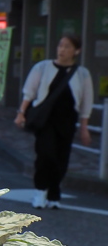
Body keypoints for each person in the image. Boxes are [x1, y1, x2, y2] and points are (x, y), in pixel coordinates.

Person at [14, 35, 94, 209]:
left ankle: (54, 193)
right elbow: (29, 92)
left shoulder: (82, 74)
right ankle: (40, 191)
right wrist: (21, 113)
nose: (62, 50)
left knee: (61, 159)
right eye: (60, 45)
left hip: (67, 121)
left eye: (67, 46)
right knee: (45, 155)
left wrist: (84, 127)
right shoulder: (42, 67)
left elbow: (87, 101)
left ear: (76, 51)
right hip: (45, 120)